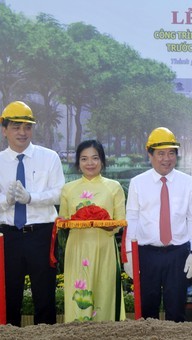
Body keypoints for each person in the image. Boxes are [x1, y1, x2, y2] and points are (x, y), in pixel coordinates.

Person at [124, 127, 192, 322]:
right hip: (146, 253)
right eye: (160, 154)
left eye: (171, 153)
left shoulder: (188, 182)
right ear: (149, 155)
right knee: (147, 311)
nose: (166, 159)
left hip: (178, 254)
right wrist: (129, 256)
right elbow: (131, 219)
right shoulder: (137, 183)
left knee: (176, 311)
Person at [0, 101, 64, 326]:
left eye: (27, 127)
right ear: (4, 129)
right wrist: (5, 201)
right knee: (9, 295)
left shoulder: (49, 157)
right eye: (16, 127)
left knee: (45, 295)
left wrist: (31, 198)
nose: (22, 132)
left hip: (42, 234)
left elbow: (59, 194)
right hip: (7, 236)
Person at [59, 140, 126, 322]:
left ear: (102, 161)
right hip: (77, 248)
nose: (90, 163)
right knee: (78, 293)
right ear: (78, 163)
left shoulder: (114, 187)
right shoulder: (68, 189)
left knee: (104, 293)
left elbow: (119, 222)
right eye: (84, 159)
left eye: (95, 158)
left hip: (104, 248)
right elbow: (63, 221)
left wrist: (103, 223)